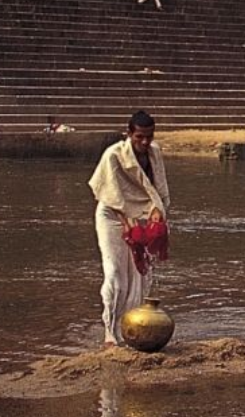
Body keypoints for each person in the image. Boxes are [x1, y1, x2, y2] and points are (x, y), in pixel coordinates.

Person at [89, 110, 170, 347]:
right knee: (115, 273)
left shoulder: (155, 153)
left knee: (140, 277)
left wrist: (158, 212)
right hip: (112, 216)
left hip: (142, 216)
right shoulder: (113, 155)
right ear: (129, 135)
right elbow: (111, 194)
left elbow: (159, 189)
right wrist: (127, 220)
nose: (145, 142)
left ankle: (132, 327)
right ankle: (109, 331)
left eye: (149, 137)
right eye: (139, 137)